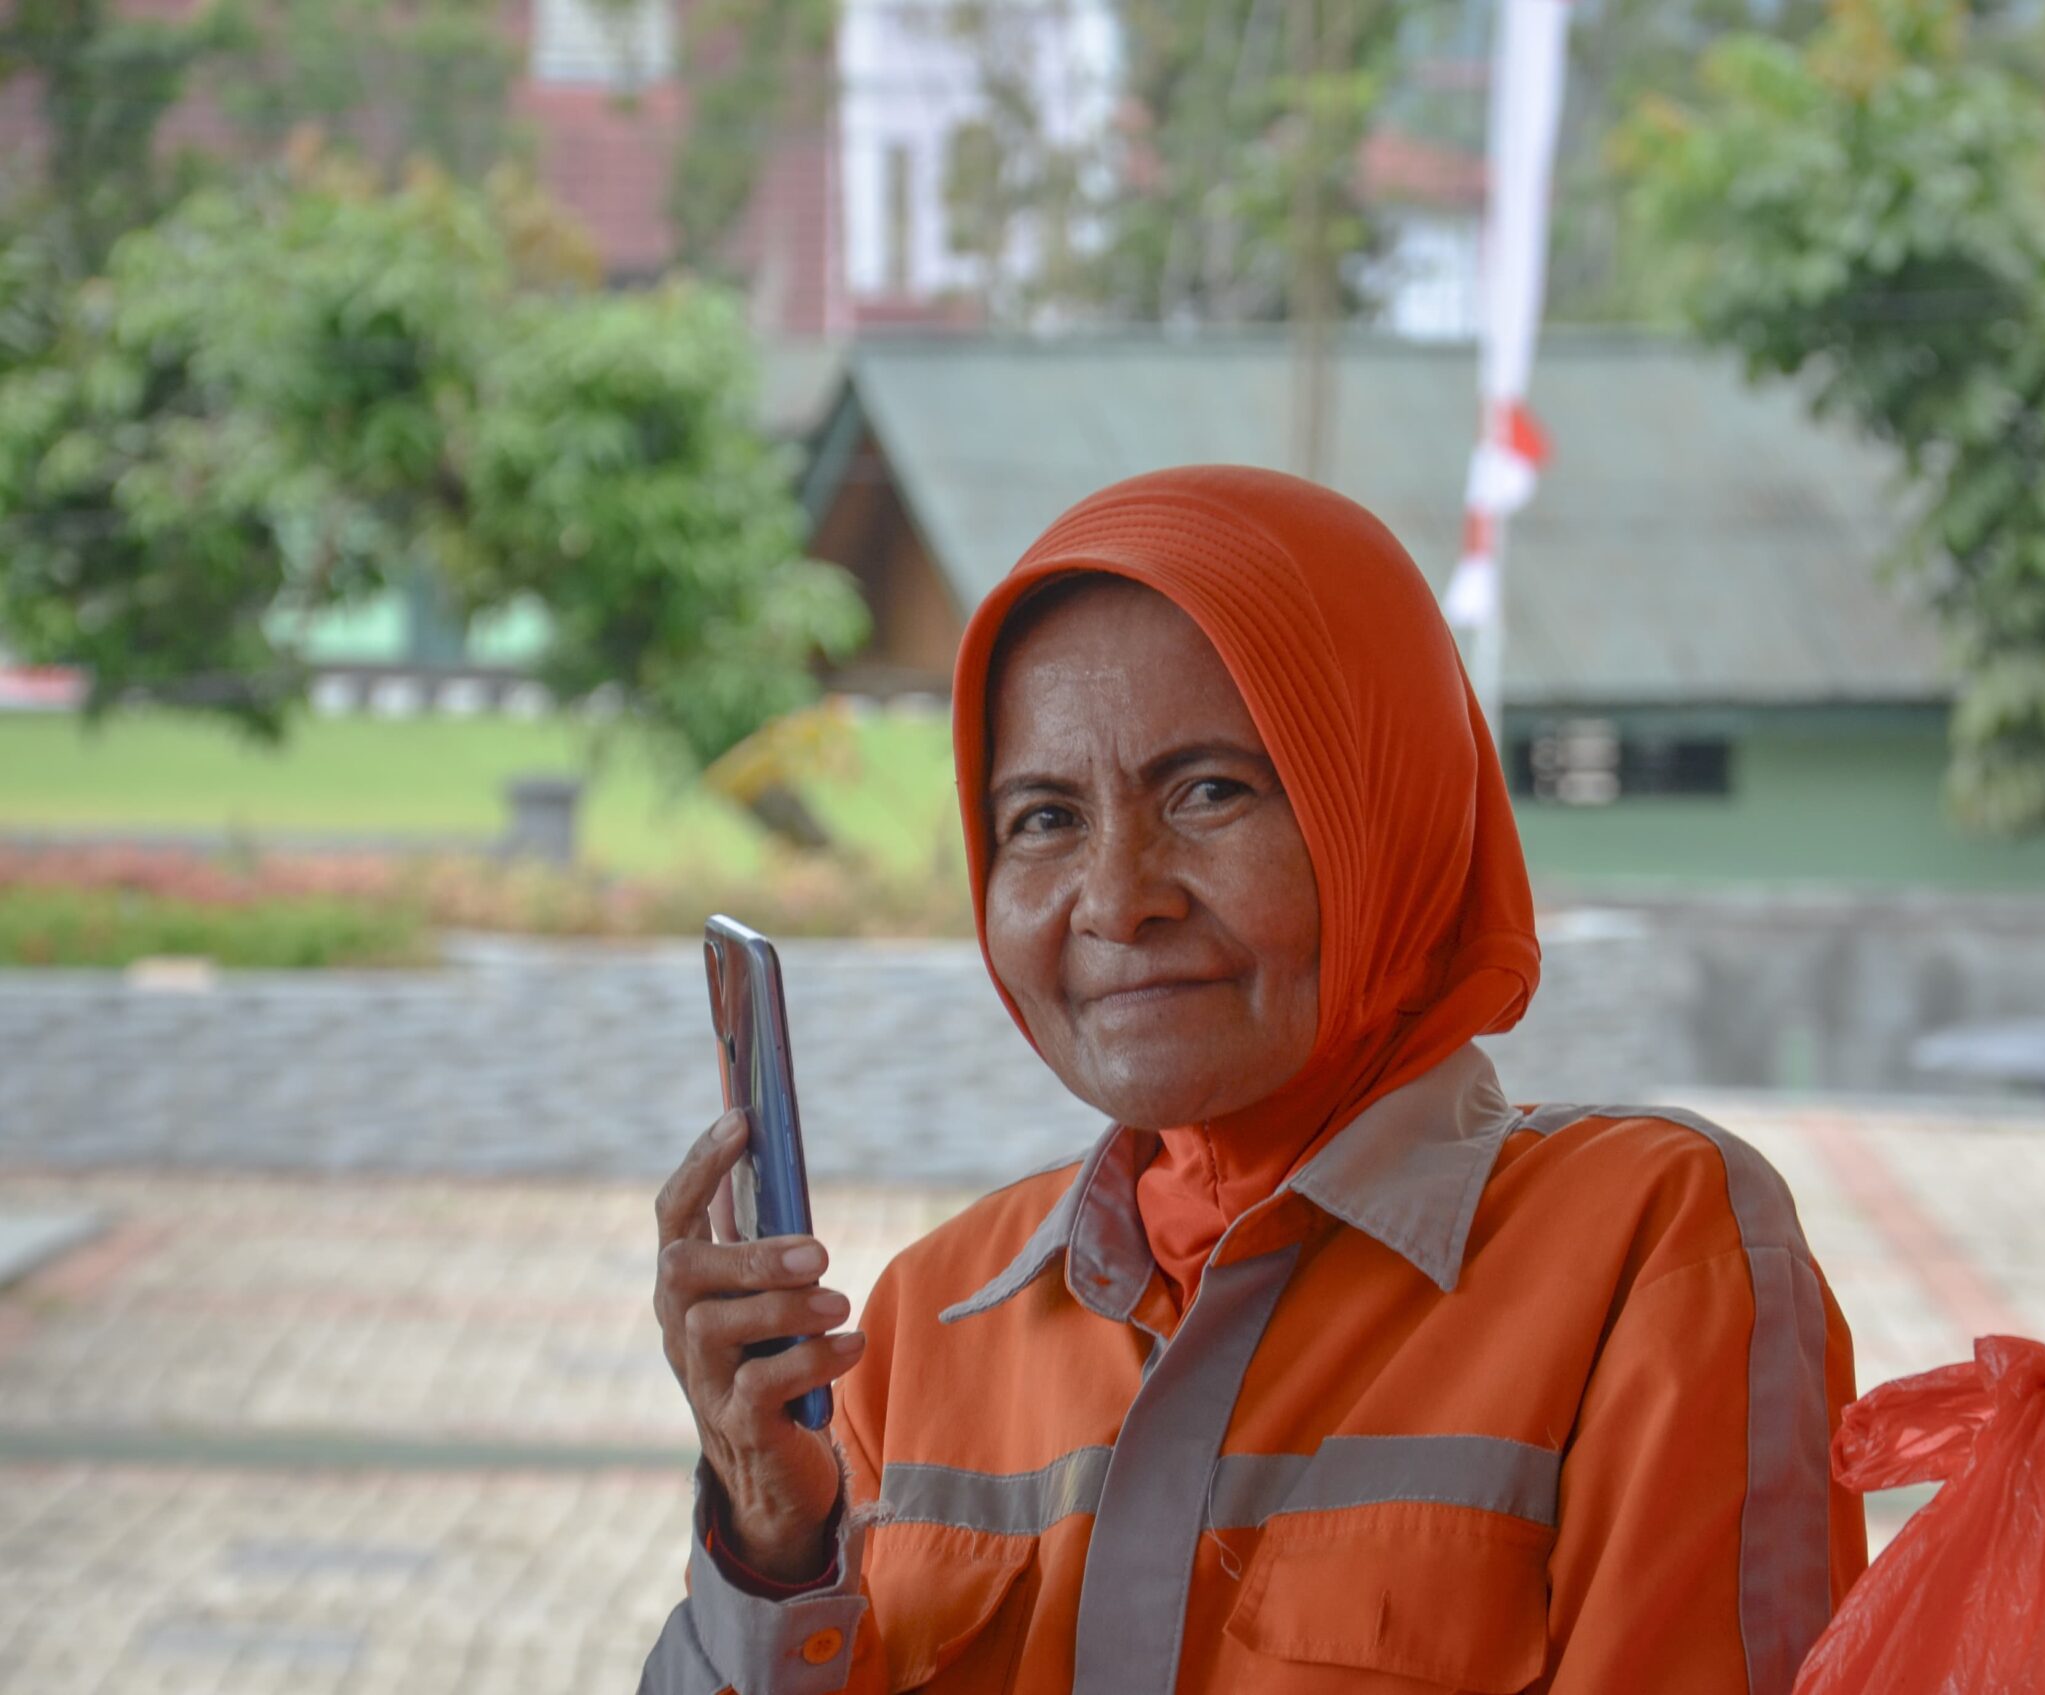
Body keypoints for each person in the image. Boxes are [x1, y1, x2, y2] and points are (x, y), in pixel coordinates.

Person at [641, 466, 1866, 1695]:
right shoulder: (920, 1329)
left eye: (1210, 792)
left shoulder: (1648, 1251)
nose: (1119, 900)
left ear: (1387, 809)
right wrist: (774, 1550)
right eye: (1044, 819)